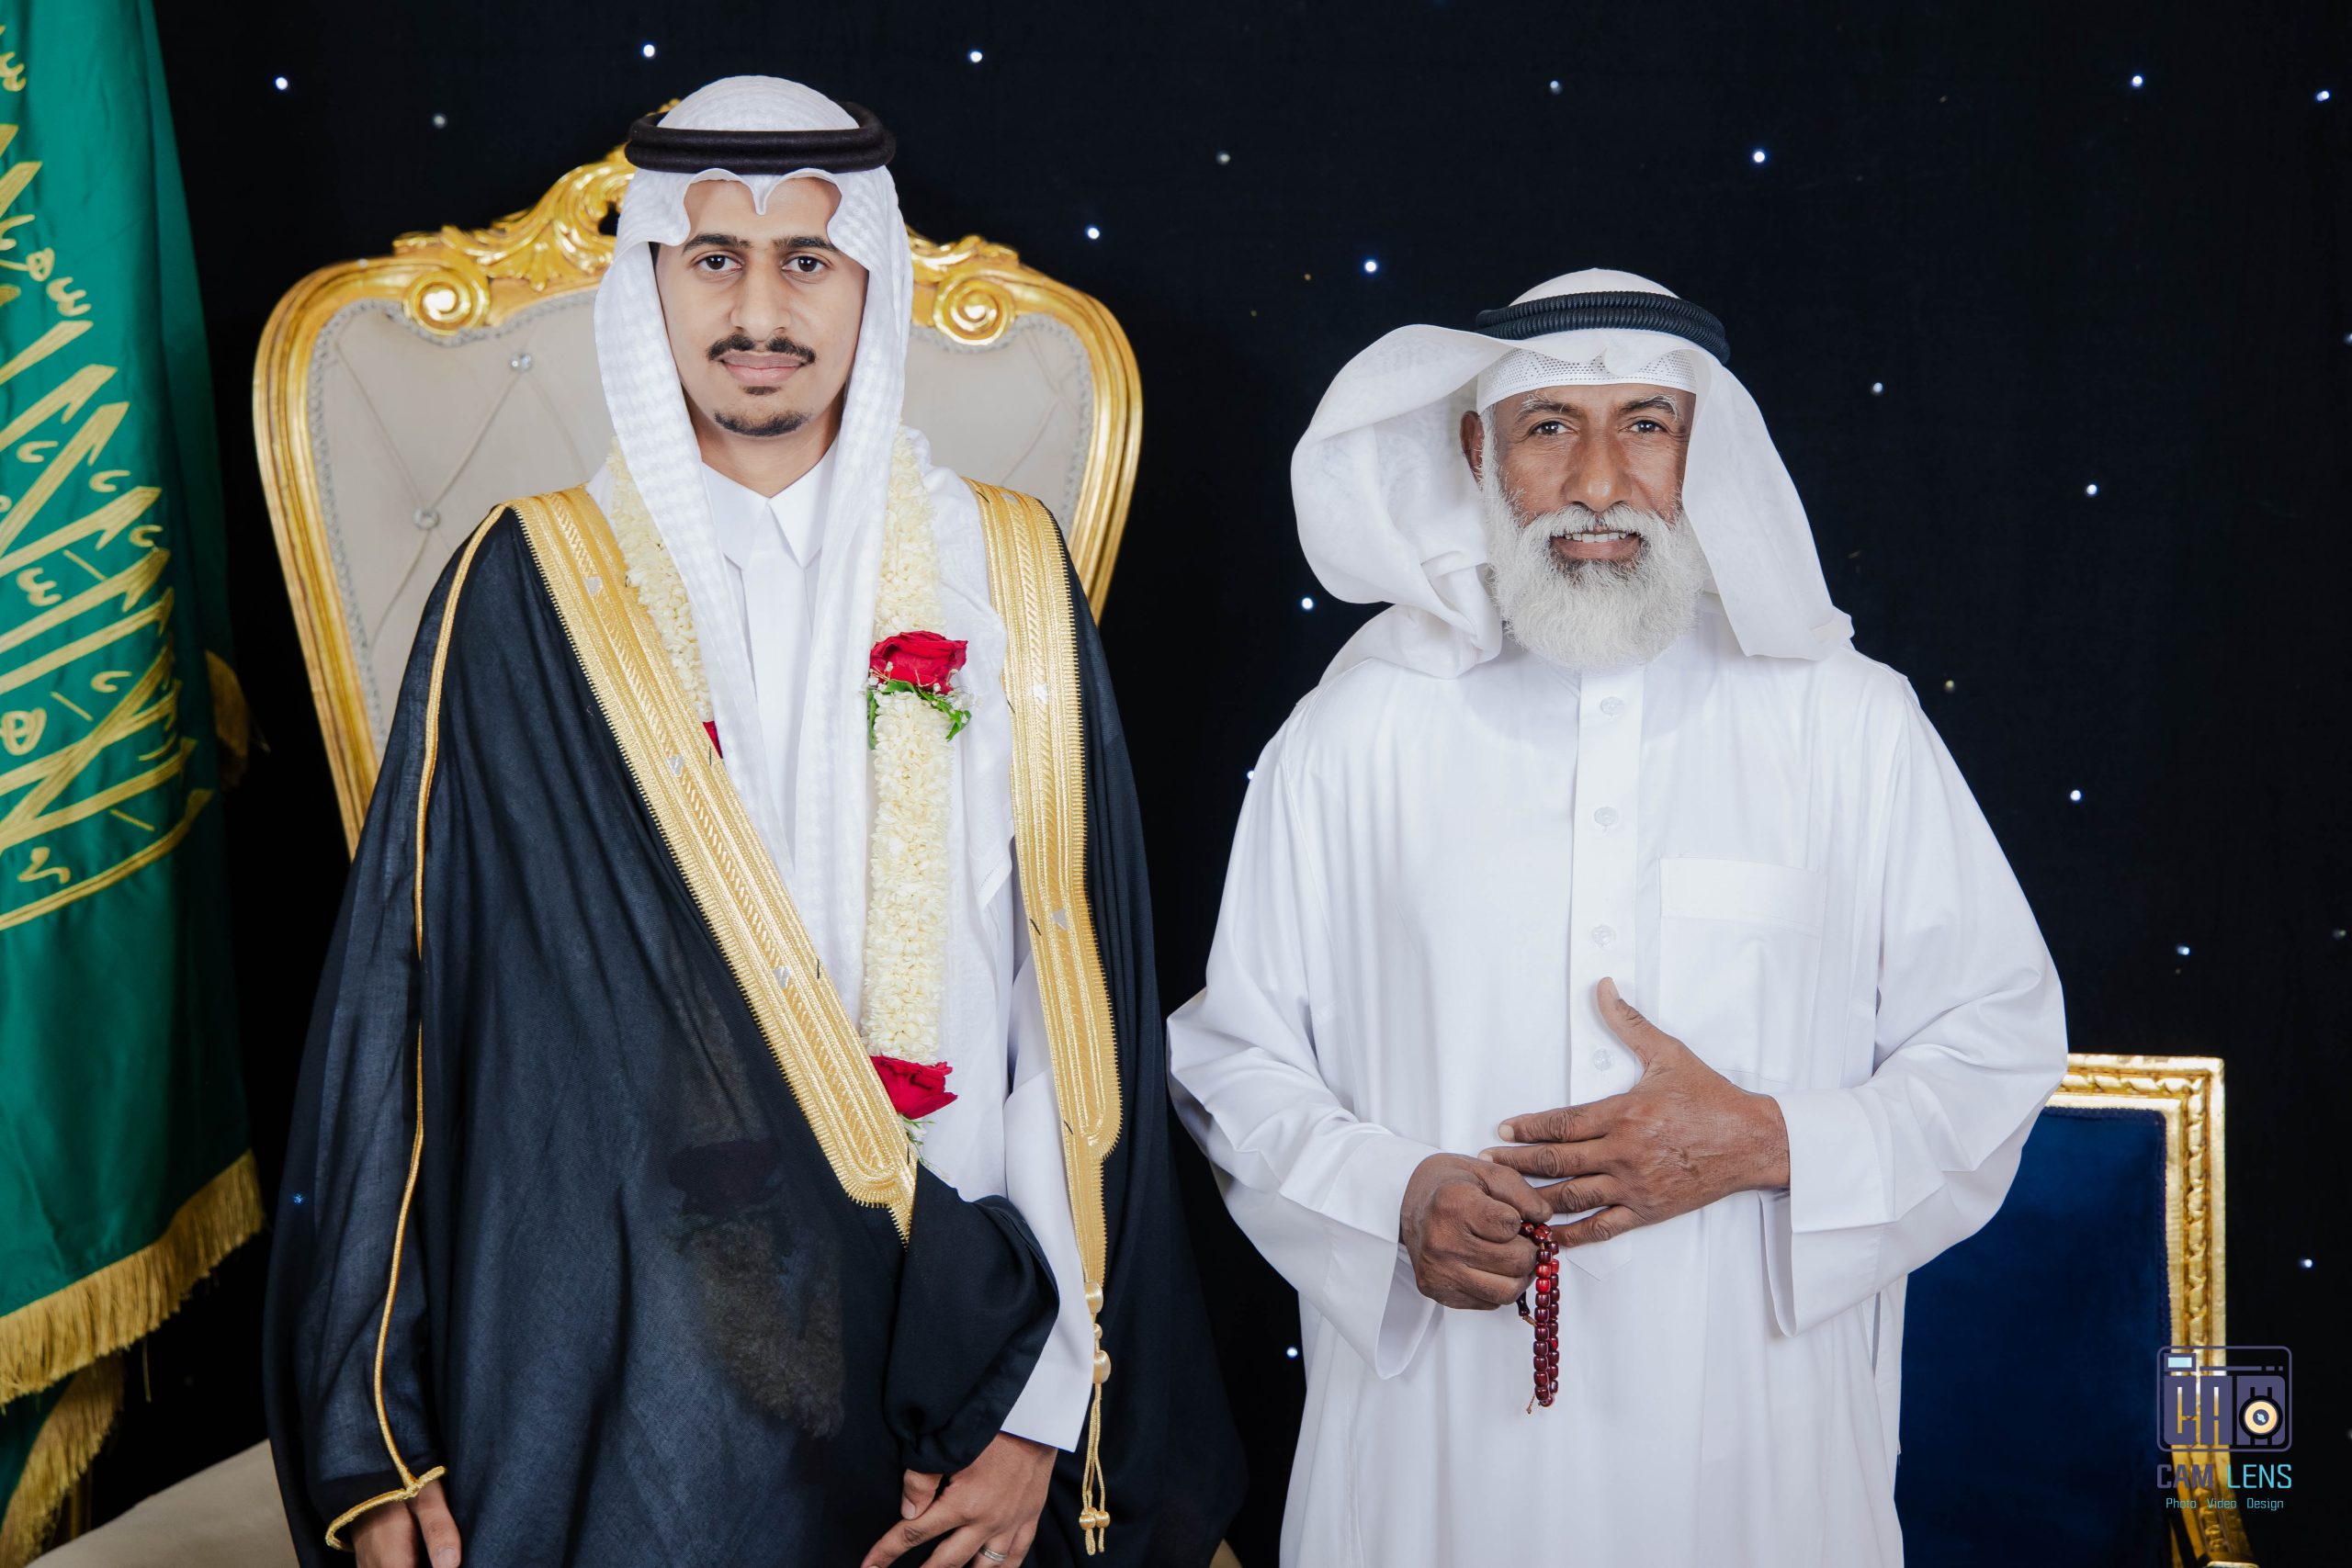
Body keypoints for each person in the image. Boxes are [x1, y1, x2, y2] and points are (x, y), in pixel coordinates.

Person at [265, 76, 1238, 1568]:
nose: (760, 311)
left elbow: (1071, 1017)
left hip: (959, 1341)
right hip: (628, 1348)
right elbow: (406, 1012)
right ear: (649, 279)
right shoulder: (530, 588)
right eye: (714, 257)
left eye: (808, 259)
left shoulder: (1002, 571)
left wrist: (1040, 1408)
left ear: (872, 281)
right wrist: (372, 1424)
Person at [1168, 269, 2066, 1565]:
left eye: (1648, 424)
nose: (1599, 481)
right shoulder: (1359, 731)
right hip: (1439, 1452)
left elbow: (1996, 1039)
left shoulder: (1846, 720)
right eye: (1549, 428)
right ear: (1478, 453)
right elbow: (1234, 1056)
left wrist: (1768, 1142)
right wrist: (1394, 1199)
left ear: (1711, 451)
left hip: (1759, 1451)